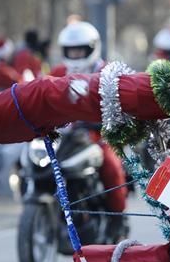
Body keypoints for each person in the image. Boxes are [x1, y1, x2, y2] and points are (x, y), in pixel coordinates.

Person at [49, 21, 129, 239]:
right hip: (62, 138)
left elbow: (122, 103)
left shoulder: (107, 72)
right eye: (70, 51)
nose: (75, 56)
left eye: (80, 51)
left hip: (98, 136)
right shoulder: (57, 72)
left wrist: (108, 122)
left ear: (92, 48)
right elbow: (40, 98)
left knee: (112, 167)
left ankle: (117, 219)